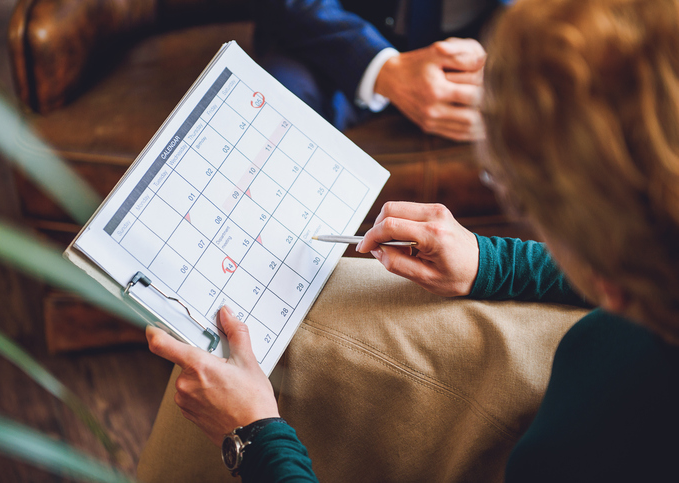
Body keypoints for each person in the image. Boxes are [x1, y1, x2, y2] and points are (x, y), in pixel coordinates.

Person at [142, 0, 679, 480]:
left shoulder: (607, 444)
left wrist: (255, 442)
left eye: (526, 205)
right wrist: (491, 261)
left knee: (235, 357)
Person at [254, 0, 509, 139]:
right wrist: (383, 69)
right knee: (272, 104)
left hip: (480, 47)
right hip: (337, 34)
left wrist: (506, 71)